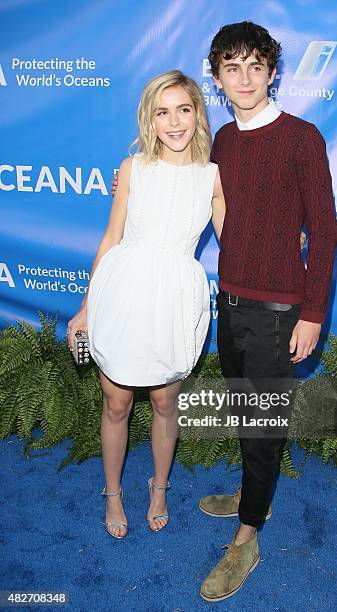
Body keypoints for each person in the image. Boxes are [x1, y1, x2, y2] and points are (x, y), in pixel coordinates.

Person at [196, 22, 337, 601]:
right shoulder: (224, 141)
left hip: (281, 311)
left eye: (256, 66)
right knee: (245, 414)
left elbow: (325, 233)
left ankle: (247, 536)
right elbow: (219, 209)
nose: (245, 78)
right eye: (233, 68)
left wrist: (312, 313)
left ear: (274, 72)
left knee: (262, 426)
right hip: (229, 299)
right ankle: (254, 492)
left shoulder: (302, 137)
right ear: (218, 77)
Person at [67, 70, 225, 539]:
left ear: (197, 113)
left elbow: (239, 243)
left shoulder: (214, 176)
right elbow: (112, 236)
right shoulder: (133, 168)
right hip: (124, 290)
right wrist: (86, 307)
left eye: (183, 109)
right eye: (163, 111)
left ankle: (159, 488)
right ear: (149, 118)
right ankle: (112, 492)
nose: (174, 121)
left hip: (176, 297)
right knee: (116, 403)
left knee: (164, 402)